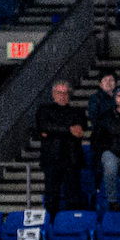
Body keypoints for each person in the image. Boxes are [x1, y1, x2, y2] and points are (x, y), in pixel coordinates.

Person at [35, 80, 90, 214]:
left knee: (73, 195)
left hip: (72, 158)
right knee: (52, 195)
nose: (62, 95)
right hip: (52, 158)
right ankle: (52, 225)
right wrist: (68, 129)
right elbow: (44, 127)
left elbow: (79, 130)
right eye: (59, 92)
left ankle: (70, 225)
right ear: (53, 94)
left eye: (65, 93)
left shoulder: (78, 111)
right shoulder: (44, 109)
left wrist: (55, 131)